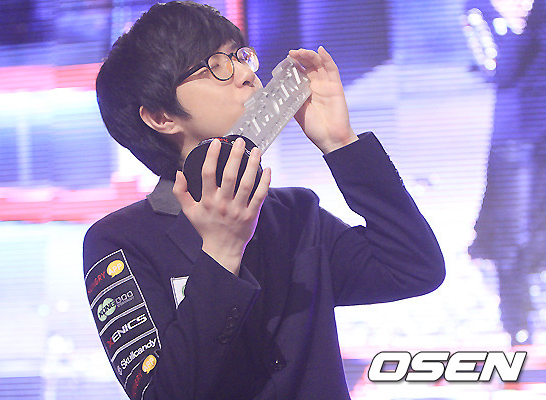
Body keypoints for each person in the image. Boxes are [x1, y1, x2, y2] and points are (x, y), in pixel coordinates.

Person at [83, 1, 445, 399]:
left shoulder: (296, 215)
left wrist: (341, 143)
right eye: (216, 65)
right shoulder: (120, 241)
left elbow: (414, 268)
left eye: (240, 56)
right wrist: (222, 253)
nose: (245, 74)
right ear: (161, 117)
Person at [465, 0, 546, 346]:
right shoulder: (480, 8)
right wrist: (515, 23)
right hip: (520, 134)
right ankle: (517, 323)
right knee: (513, 233)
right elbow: (500, 70)